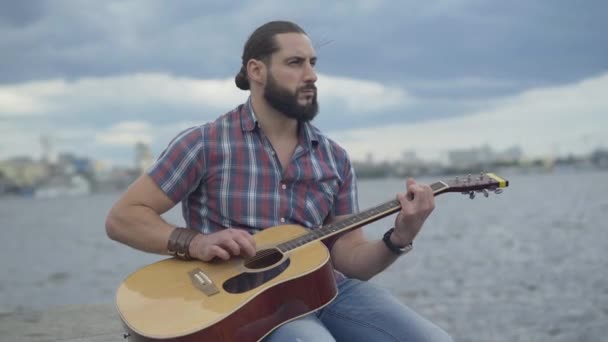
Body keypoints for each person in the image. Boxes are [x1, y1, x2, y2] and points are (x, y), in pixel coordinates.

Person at [106, 20, 452, 342]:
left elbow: (351, 259)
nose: (311, 75)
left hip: (327, 289)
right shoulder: (204, 143)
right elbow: (124, 218)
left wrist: (400, 236)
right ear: (257, 70)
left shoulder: (334, 158)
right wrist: (195, 242)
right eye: (295, 63)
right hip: (244, 303)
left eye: (313, 63)